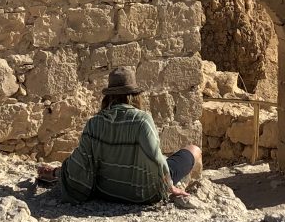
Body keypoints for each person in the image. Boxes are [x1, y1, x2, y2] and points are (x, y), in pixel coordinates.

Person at [40, 66, 201, 207]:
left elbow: (79, 163)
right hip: (145, 194)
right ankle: (189, 184)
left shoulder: (94, 123)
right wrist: (169, 185)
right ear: (134, 95)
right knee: (194, 150)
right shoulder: (141, 120)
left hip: (107, 192)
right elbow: (156, 159)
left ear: (109, 96)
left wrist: (56, 173)